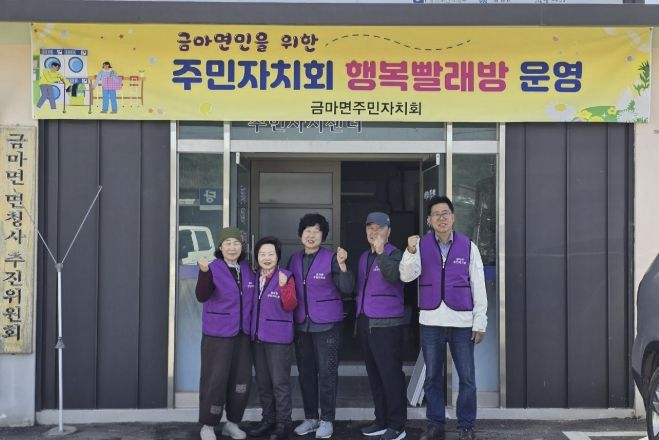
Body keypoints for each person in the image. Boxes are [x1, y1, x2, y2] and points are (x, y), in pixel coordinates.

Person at [399, 196, 487, 440]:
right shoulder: (421, 245)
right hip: (431, 322)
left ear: (453, 216)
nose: (441, 217)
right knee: (432, 377)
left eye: (445, 212)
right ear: (429, 220)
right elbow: (406, 276)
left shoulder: (469, 246)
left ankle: (466, 425)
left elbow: (478, 285)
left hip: (461, 322)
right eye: (436, 214)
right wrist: (410, 251)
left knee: (467, 378)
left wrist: (480, 321)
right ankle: (435, 423)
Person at [288, 213, 354, 439]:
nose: (311, 235)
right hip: (302, 326)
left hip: (327, 325)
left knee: (327, 373)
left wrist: (343, 266)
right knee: (306, 374)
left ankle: (327, 420)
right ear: (301, 235)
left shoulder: (332, 258)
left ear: (323, 235)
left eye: (316, 231)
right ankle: (311, 418)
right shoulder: (294, 259)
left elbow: (347, 288)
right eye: (307, 231)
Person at [195, 227, 255, 440]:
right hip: (217, 335)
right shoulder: (212, 268)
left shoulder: (248, 269)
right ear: (220, 247)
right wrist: (203, 272)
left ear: (242, 247)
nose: (232, 247)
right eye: (227, 243)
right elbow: (202, 295)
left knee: (241, 380)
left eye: (236, 243)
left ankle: (232, 423)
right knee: (215, 380)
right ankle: (208, 425)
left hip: (243, 334)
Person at [356, 212, 407, 440]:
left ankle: (397, 425)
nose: (374, 232)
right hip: (366, 322)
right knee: (375, 376)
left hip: (387, 324)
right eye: (370, 228)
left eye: (379, 228)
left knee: (391, 376)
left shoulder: (396, 254)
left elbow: (393, 276)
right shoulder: (363, 257)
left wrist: (380, 252)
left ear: (389, 231)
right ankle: (381, 420)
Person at [247, 236, 298, 440]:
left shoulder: (285, 276)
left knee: (279, 383)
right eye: (262, 254)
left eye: (271, 254)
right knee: (263, 383)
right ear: (257, 256)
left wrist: (284, 287)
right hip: (257, 338)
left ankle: (283, 423)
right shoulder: (253, 277)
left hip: (278, 339)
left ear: (278, 256)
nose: (266, 258)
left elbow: (291, 305)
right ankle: (268, 419)